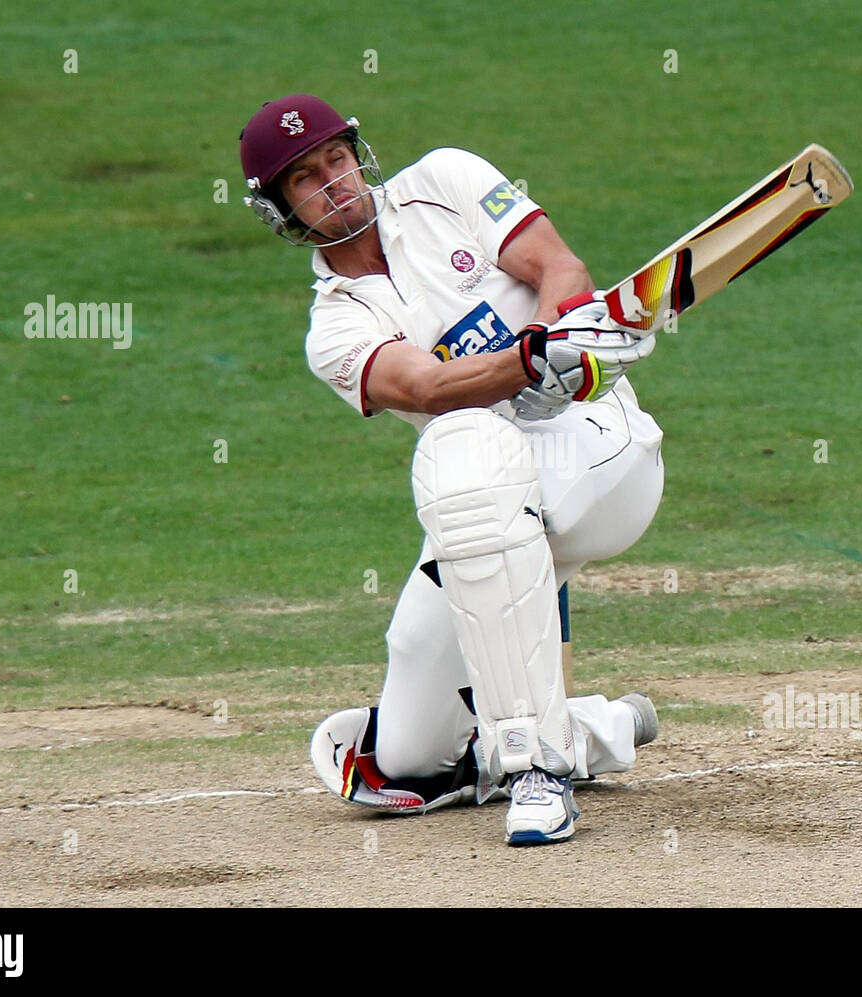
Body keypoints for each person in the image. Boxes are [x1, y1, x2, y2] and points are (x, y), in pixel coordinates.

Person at [239, 94, 665, 845]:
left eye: (337, 158)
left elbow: (558, 266)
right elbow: (428, 387)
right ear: (281, 211)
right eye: (306, 176)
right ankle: (597, 727)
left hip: (597, 451)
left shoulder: (447, 178)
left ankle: (540, 770)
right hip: (488, 501)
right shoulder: (335, 327)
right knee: (406, 753)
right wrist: (532, 359)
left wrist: (560, 343)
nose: (334, 181)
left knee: (462, 455)